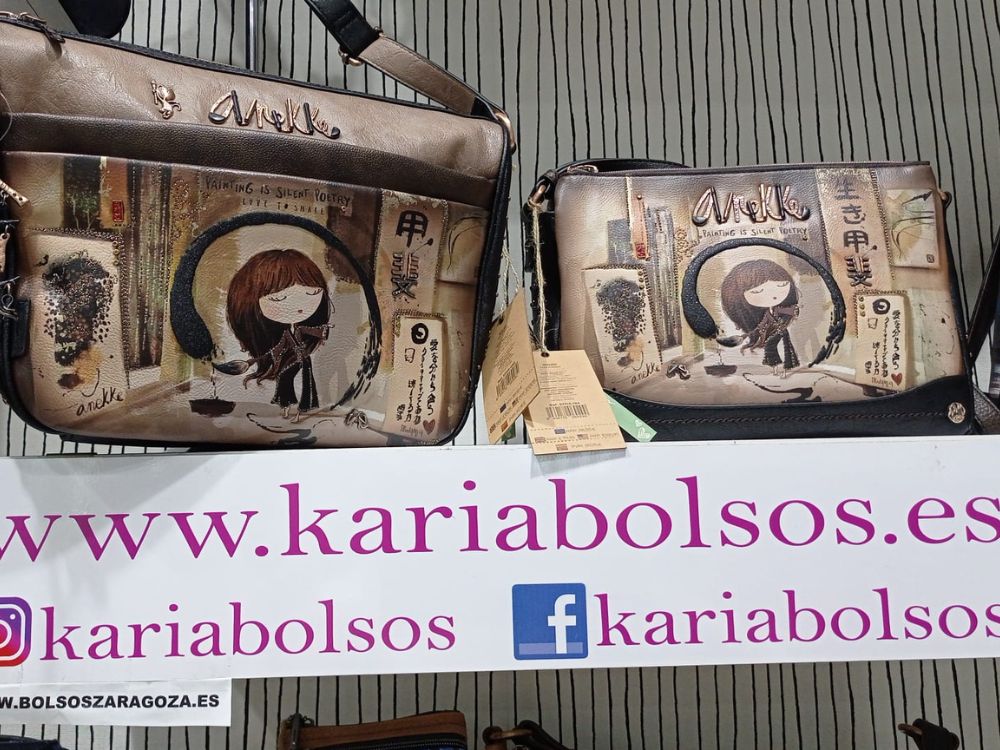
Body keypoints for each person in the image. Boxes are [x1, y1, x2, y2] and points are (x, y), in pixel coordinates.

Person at [226, 249, 332, 421]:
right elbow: (281, 345)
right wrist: (260, 358)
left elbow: (311, 332)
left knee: (303, 383)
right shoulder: (285, 332)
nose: (298, 307)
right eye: (278, 299)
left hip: (302, 359)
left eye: (311, 294)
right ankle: (286, 406)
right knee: (285, 378)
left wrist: (323, 331)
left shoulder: (300, 328)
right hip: (294, 359)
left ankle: (301, 409)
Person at [720, 258, 801, 376]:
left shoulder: (780, 309)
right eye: (757, 292)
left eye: (782, 285)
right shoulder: (766, 313)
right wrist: (753, 332)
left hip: (781, 332)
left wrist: (793, 311)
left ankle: (785, 366)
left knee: (782, 347)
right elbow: (763, 323)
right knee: (772, 347)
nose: (773, 296)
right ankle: (776, 366)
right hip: (776, 332)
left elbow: (791, 311)